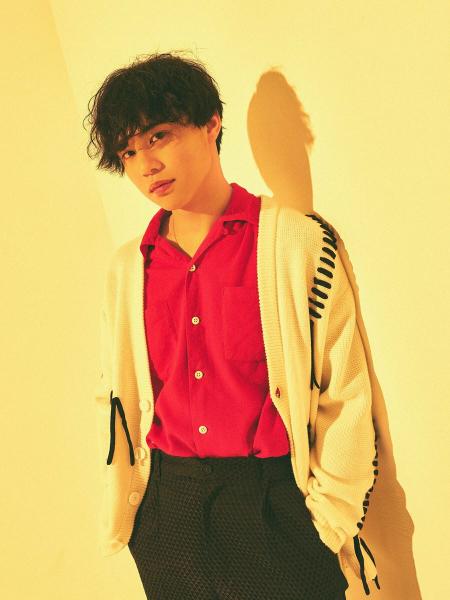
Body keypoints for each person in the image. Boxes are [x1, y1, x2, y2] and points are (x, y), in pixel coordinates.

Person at [84, 50, 381, 599]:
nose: (146, 165)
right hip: (169, 513)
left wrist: (328, 523)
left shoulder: (295, 244)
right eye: (128, 151)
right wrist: (142, 518)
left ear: (210, 124)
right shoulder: (130, 269)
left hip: (274, 508)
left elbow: (344, 391)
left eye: (158, 136)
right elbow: (118, 395)